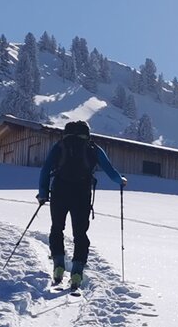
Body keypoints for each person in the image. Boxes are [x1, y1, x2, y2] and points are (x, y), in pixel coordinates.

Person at [38, 120, 124, 289]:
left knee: (57, 229)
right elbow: (109, 169)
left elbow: (46, 168)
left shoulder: (60, 146)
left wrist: (43, 193)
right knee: (80, 234)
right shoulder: (92, 147)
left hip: (59, 192)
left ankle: (58, 266)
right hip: (82, 194)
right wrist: (120, 181)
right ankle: (77, 272)